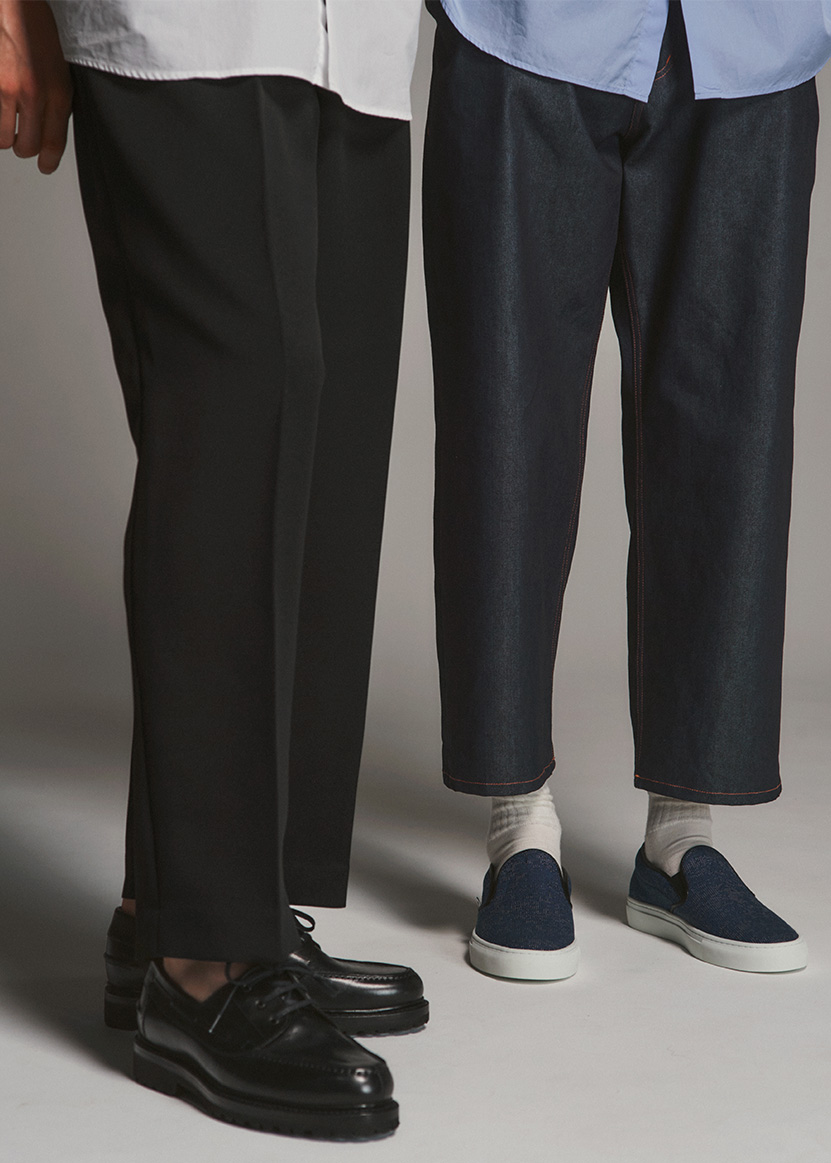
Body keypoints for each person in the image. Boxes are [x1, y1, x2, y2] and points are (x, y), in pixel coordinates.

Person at [0, 0, 426, 1140]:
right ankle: (206, 962)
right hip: (185, 25)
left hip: (357, 34)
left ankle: (199, 900)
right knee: (238, 408)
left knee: (323, 431)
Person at [423, 0, 829, 982]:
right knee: (506, 407)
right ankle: (520, 828)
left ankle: (680, 839)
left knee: (731, 418)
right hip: (525, 29)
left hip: (755, 33)